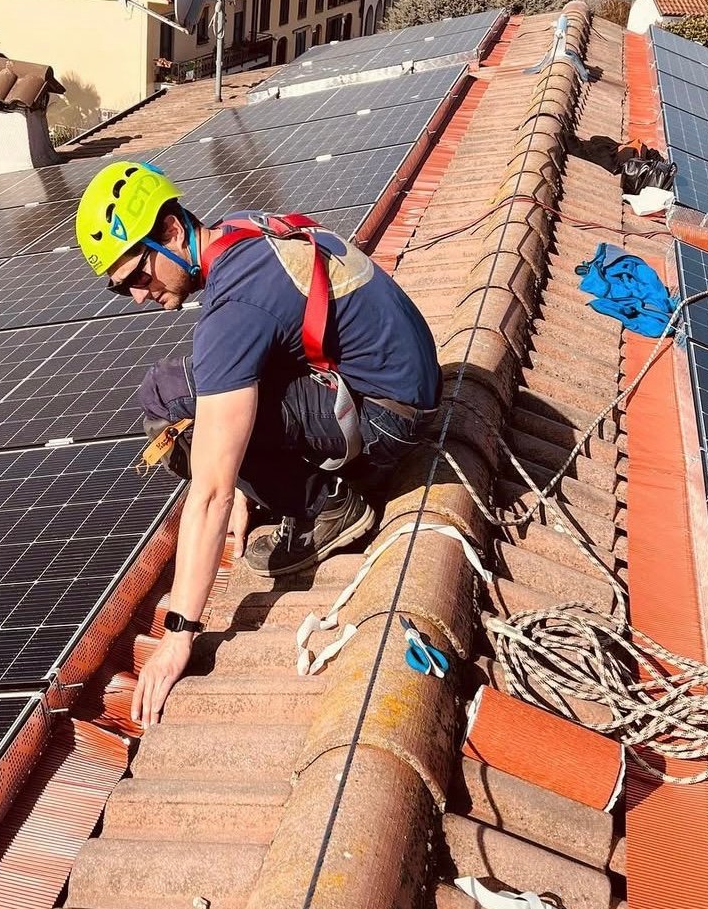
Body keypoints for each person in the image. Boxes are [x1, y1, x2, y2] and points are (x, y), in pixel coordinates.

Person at [75, 160, 441, 725]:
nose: (140, 297)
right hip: (400, 385)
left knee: (172, 402)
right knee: (201, 384)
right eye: (122, 289)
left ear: (170, 232)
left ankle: (324, 507)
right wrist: (250, 483)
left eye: (137, 276)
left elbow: (209, 494)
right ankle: (286, 485)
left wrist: (178, 636)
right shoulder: (242, 231)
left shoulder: (234, 310)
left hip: (383, 419)